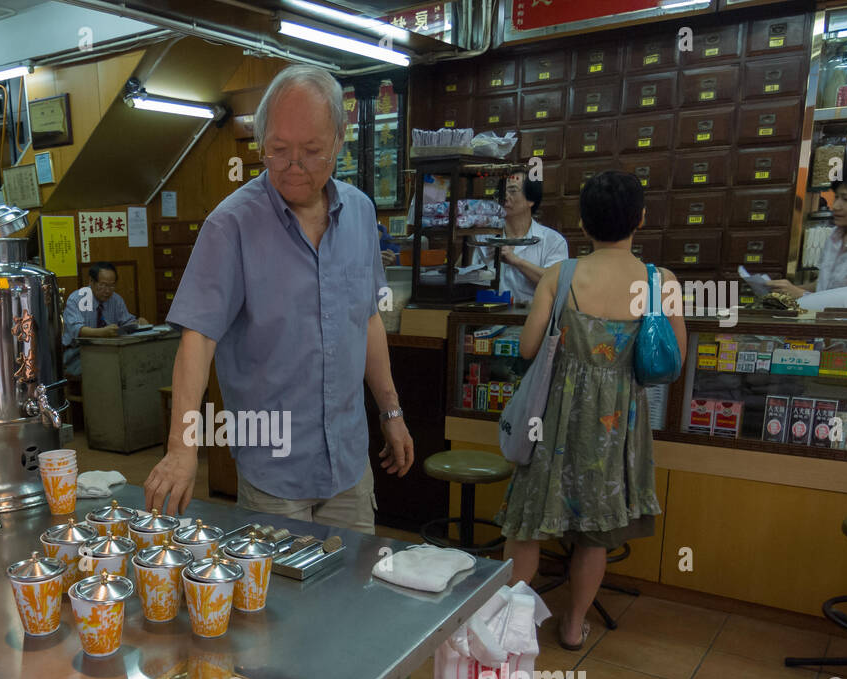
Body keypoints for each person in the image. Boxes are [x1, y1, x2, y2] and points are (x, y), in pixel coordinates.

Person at [144, 64, 414, 530]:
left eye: (311, 152)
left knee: (352, 596)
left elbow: (367, 320)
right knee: (277, 600)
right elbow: (198, 339)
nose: (293, 167)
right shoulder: (230, 226)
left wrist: (390, 411)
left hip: (349, 461)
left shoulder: (361, 214)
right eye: (278, 151)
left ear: (339, 139)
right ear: (261, 141)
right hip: (273, 467)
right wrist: (181, 447)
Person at [496, 171, 686, 650]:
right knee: (595, 533)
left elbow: (527, 346)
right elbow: (673, 362)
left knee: (528, 526)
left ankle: (510, 625)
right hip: (617, 423)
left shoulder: (563, 276)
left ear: (583, 223)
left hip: (554, 416)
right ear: (640, 219)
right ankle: (574, 623)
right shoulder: (660, 281)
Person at [770, 163, 847, 298]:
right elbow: (825, 284)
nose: (836, 206)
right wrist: (788, 290)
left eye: (846, 199)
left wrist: (801, 295)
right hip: (820, 317)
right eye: (836, 197)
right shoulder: (835, 236)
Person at [471, 173, 568, 305]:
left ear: (531, 200)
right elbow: (467, 279)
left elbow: (557, 283)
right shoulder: (483, 237)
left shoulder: (553, 240)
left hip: (530, 320)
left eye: (512, 191)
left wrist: (516, 261)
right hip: (489, 319)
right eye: (501, 192)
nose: (504, 197)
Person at [60, 262, 142, 377]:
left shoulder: (116, 300)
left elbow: (127, 322)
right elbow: (77, 330)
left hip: (109, 351)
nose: (108, 291)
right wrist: (102, 333)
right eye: (103, 285)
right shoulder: (76, 299)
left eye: (112, 285)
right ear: (91, 282)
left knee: (132, 364)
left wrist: (138, 323)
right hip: (78, 353)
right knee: (108, 370)